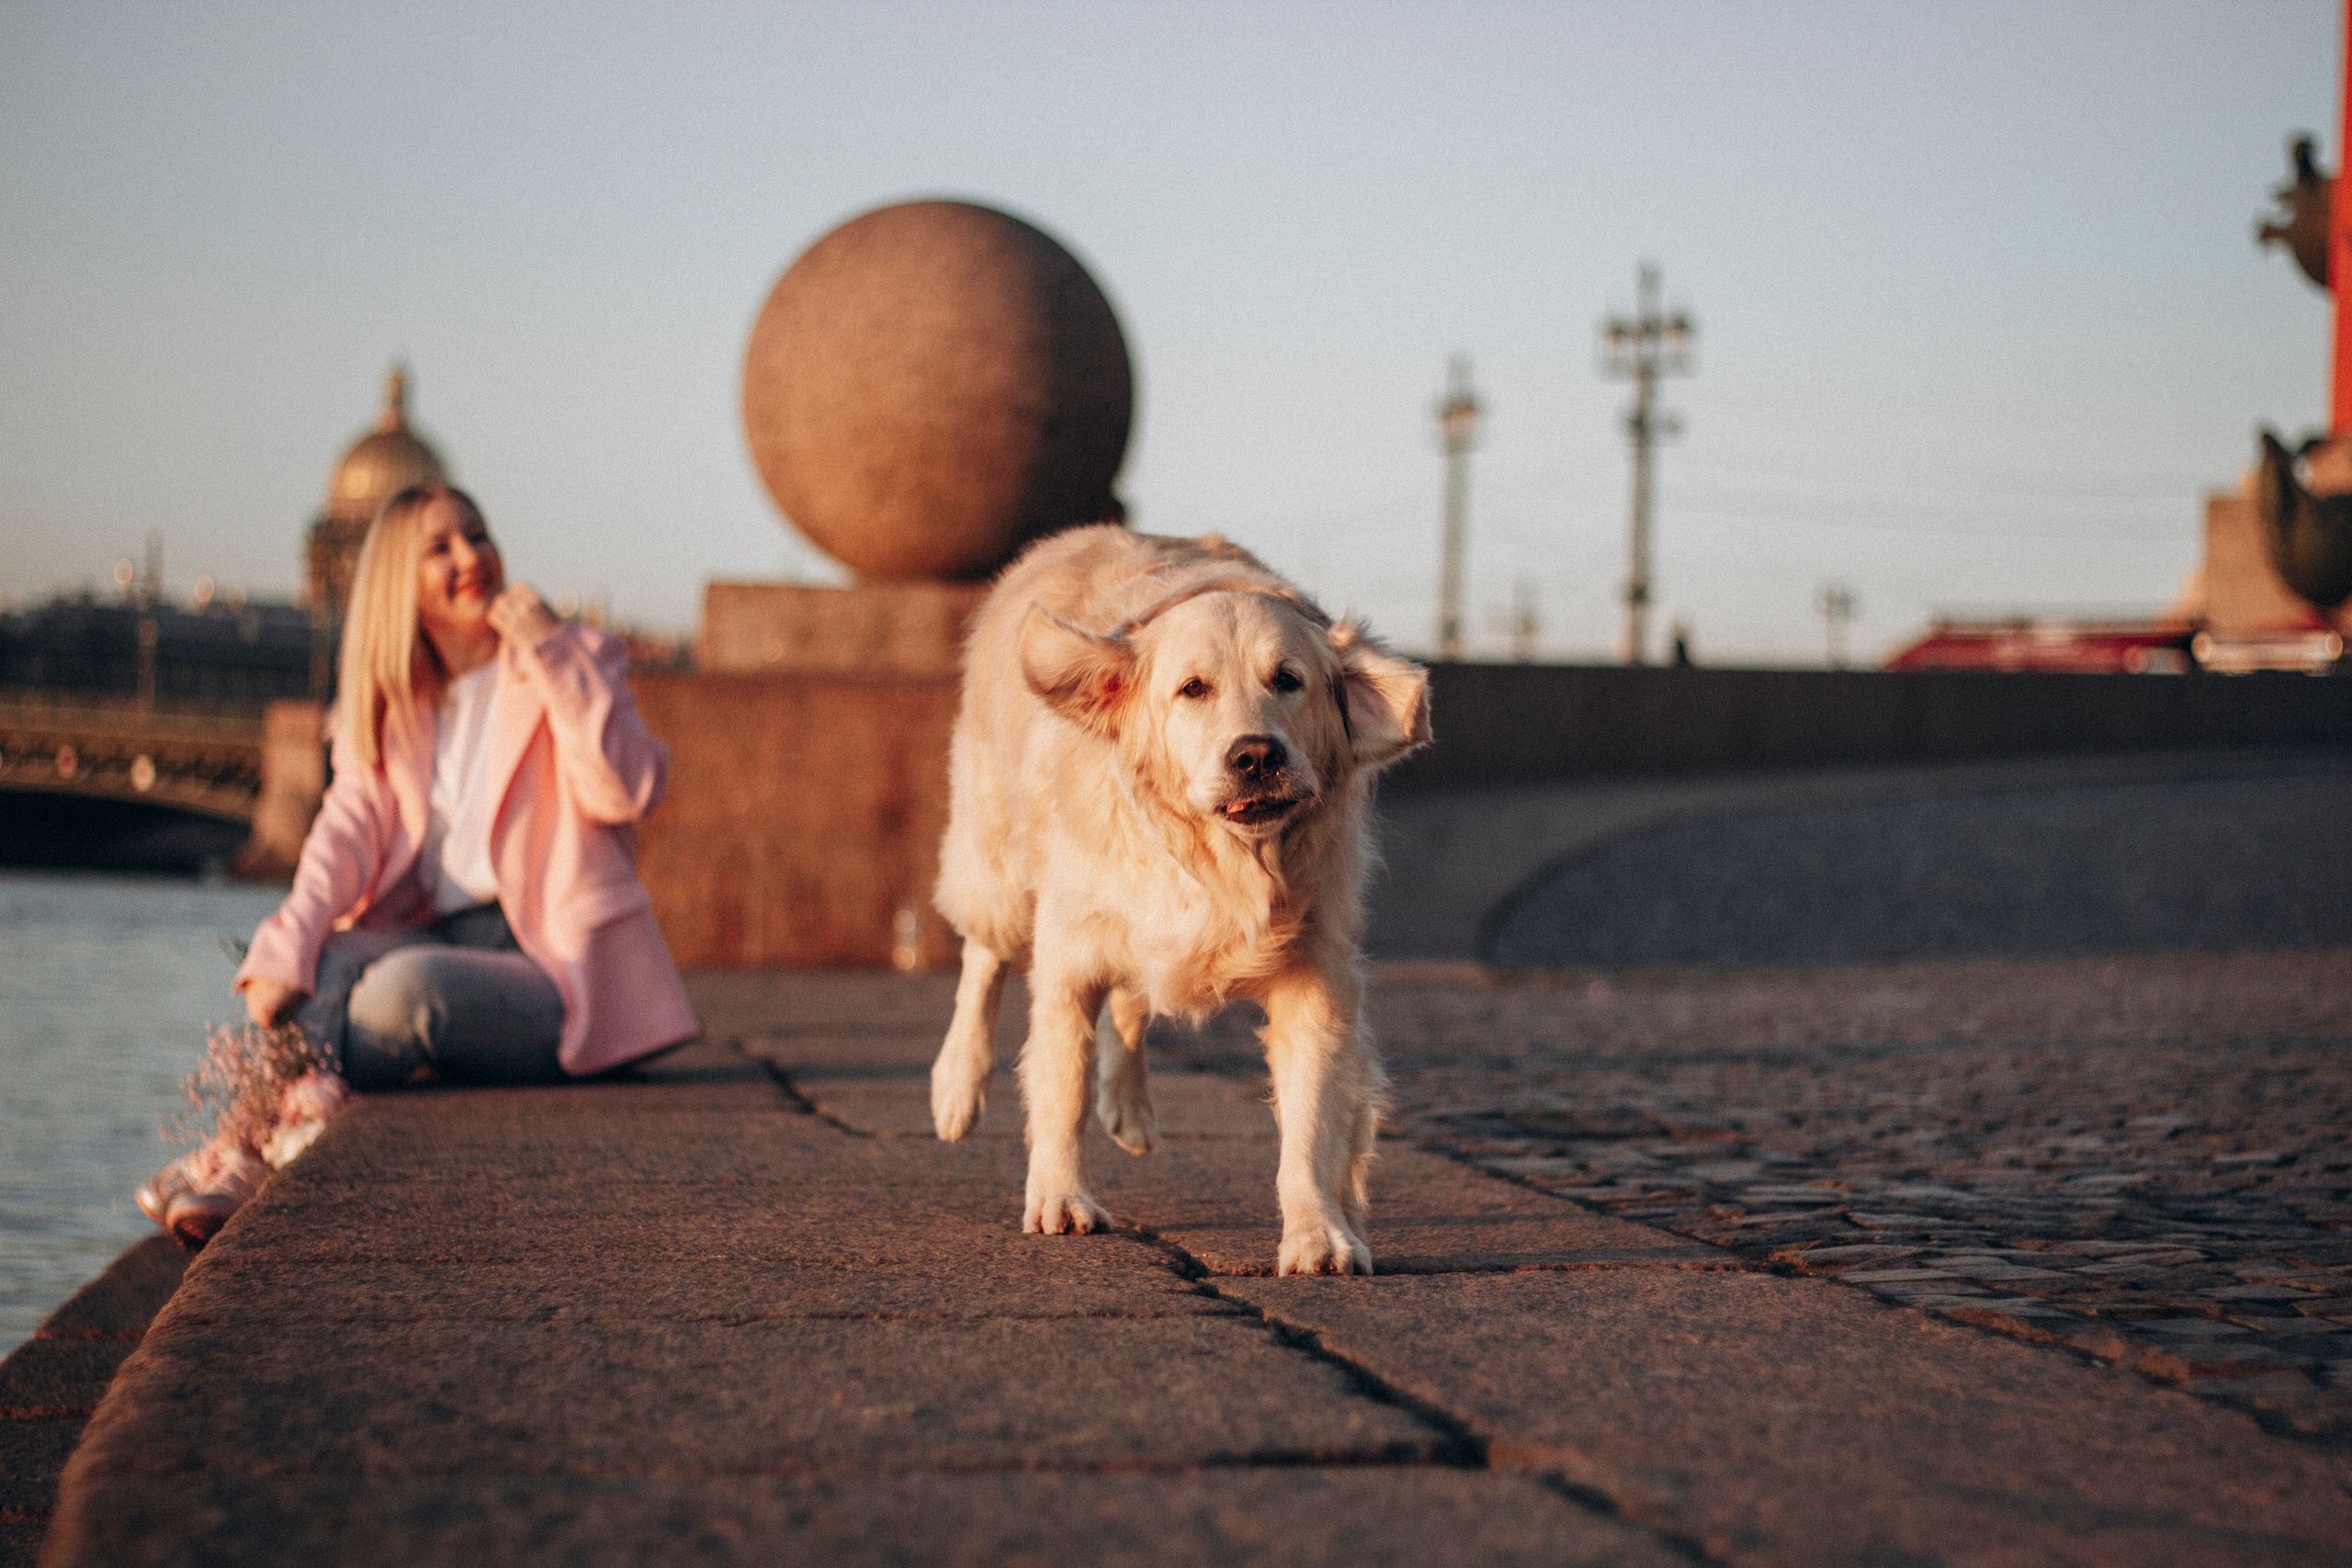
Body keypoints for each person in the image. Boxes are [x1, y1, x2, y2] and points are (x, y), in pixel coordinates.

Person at [137, 483, 698, 1247]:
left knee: (409, 988)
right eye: (441, 547)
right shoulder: (397, 704)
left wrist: (550, 647)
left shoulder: (575, 658)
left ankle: (256, 1138)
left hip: (556, 970)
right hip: (439, 933)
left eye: (477, 534)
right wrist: (289, 942)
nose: (471, 556)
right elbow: (344, 832)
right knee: (317, 962)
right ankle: (246, 1152)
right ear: (400, 581)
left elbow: (627, 788)